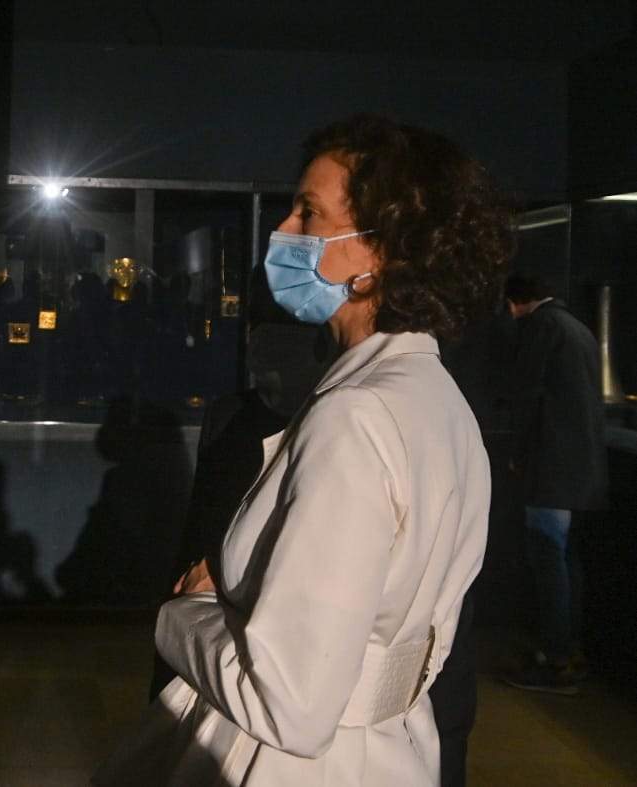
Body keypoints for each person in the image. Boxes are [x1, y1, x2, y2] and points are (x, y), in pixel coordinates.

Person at [94, 115, 512, 786]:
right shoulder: (437, 398)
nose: (284, 230)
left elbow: (289, 703)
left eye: (308, 212)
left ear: (381, 251)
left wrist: (190, 611)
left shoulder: (355, 415)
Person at [502, 273, 608, 694]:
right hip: (582, 468)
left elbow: (527, 394)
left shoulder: (542, 327)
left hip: (550, 466)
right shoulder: (577, 328)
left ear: (514, 301)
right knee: (565, 561)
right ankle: (568, 651)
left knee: (548, 560)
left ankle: (556, 659)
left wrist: (517, 452)